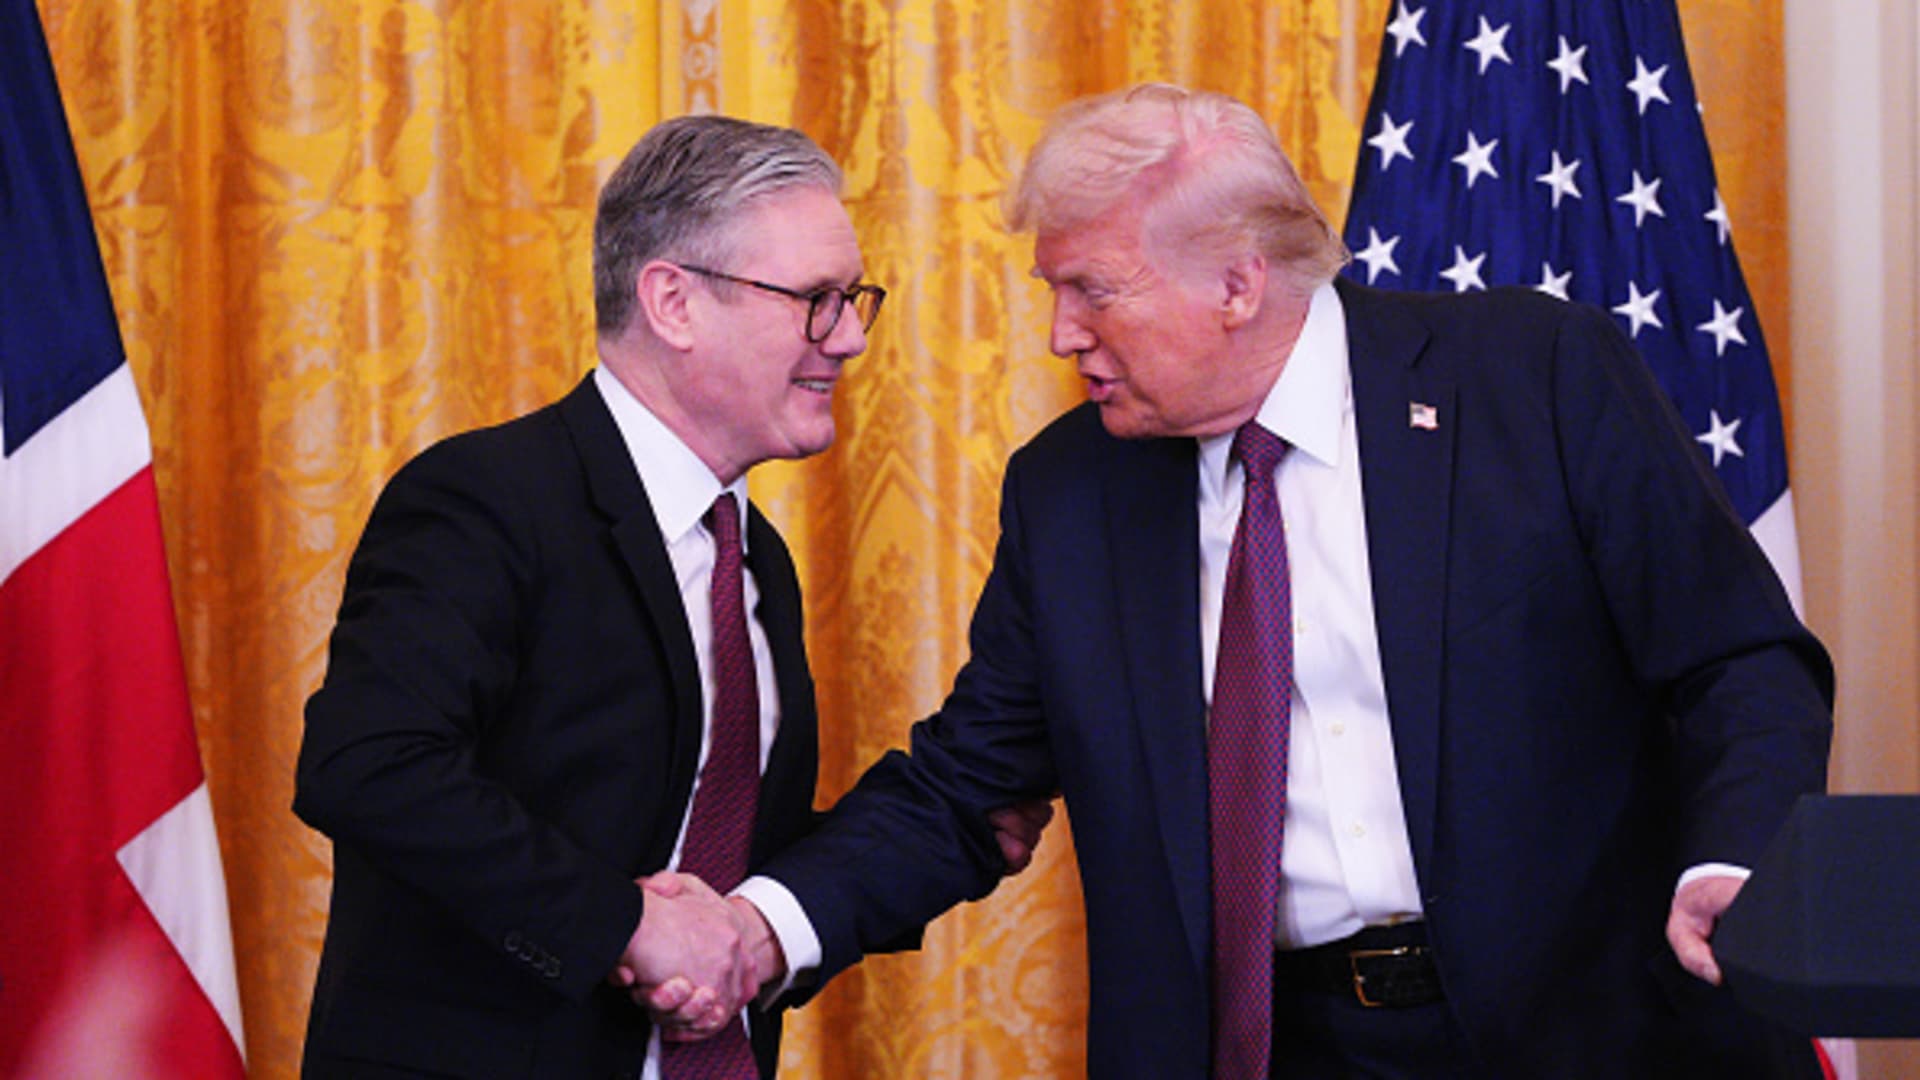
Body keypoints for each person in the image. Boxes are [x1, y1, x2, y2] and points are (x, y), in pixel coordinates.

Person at [707, 84, 1834, 1077]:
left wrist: (1730, 861)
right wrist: (762, 928)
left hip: (1594, 1033)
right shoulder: (1071, 492)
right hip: (1276, 1049)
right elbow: (967, 789)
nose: (1059, 335)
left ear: (1240, 284)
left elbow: (1738, 661)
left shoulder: (1531, 377)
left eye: (1093, 290)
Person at [293, 114, 1036, 1079]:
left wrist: (947, 831)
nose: (850, 338)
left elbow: (702, 853)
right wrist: (623, 926)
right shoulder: (486, 497)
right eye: (816, 299)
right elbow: (369, 765)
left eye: (853, 299)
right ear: (674, 303)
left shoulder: (752, 554)